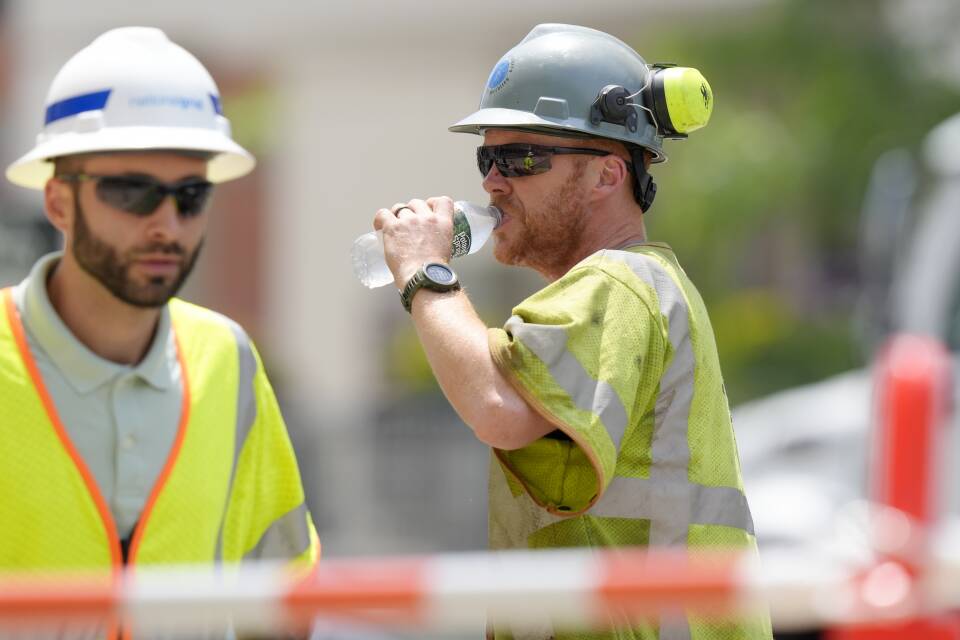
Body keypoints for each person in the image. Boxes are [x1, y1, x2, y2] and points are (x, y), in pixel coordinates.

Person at [373, 24, 770, 639]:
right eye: (488, 157)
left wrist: (427, 274)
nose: (492, 182)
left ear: (608, 176)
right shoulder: (632, 288)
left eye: (522, 158)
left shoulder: (619, 283)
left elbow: (497, 408)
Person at [0, 24, 318, 620]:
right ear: (58, 201)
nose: (167, 225)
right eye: (131, 192)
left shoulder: (227, 357)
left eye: (191, 195)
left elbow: (284, 592)